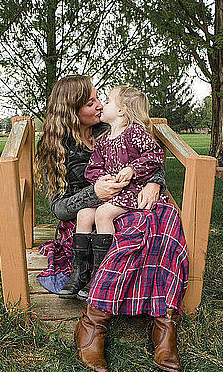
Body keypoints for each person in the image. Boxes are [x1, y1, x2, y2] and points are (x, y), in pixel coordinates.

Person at [36, 75, 189, 372]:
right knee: (133, 232)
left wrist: (155, 183)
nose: (99, 105)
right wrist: (94, 192)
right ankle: (94, 324)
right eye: (91, 102)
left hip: (126, 202)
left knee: (164, 222)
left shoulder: (116, 128)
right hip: (86, 220)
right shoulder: (58, 147)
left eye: (100, 99)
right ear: (71, 110)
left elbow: (149, 159)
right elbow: (59, 208)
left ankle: (164, 326)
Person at [67, 85, 165, 300]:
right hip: (110, 192)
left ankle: (101, 275)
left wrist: (132, 169)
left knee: (103, 214)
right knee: (84, 214)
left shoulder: (135, 133)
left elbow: (155, 154)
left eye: (108, 102)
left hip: (130, 191)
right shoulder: (103, 140)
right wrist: (101, 179)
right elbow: (92, 168)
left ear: (121, 110)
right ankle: (79, 273)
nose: (102, 105)